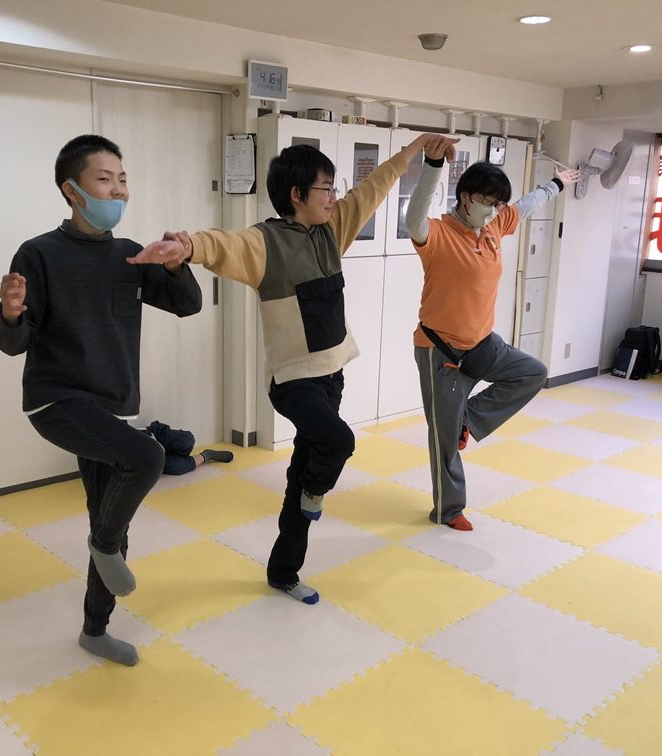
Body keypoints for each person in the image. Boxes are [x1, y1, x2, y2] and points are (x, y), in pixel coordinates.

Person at [163, 132, 456, 605]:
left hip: (331, 374)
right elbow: (223, 244)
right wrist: (187, 245)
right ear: (297, 194)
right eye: (326, 188)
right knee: (338, 442)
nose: (334, 196)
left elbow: (376, 186)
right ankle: (314, 493)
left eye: (334, 188)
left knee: (301, 473)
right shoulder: (265, 243)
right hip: (292, 380)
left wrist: (416, 150)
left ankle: (284, 571)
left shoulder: (332, 229)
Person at [0, 135, 199, 666]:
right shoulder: (38, 253)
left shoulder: (130, 255)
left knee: (111, 519)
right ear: (72, 191)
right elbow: (14, 342)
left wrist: (175, 265)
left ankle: (94, 629)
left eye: (122, 179)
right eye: (104, 179)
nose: (118, 189)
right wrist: (10, 313)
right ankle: (103, 547)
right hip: (56, 399)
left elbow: (188, 305)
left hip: (113, 404)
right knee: (147, 456)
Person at [405, 146, 579, 530]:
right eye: (488, 201)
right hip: (441, 351)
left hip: (483, 343)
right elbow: (413, 216)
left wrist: (556, 184)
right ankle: (449, 509)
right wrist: (433, 166)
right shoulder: (437, 234)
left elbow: (526, 206)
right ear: (466, 197)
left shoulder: (494, 227)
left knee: (532, 373)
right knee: (444, 440)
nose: (495, 209)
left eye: (499, 203)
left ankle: (468, 419)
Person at [144, 419, 233, 475]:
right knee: (178, 467)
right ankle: (207, 455)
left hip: (154, 436)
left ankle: (179, 454)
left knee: (186, 441)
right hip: (155, 458)